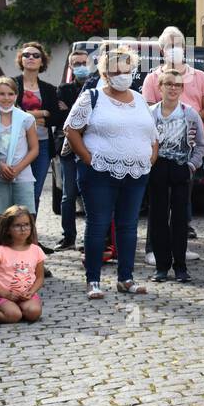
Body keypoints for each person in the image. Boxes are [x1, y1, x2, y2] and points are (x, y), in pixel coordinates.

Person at [63, 46, 158, 300]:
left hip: (136, 173)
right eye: (115, 70)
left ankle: (126, 278)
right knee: (98, 224)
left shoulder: (139, 99)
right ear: (105, 73)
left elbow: (152, 133)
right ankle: (93, 279)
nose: (121, 74)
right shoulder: (92, 97)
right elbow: (71, 129)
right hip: (99, 173)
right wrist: (88, 158)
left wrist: (151, 156)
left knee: (128, 226)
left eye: (126, 69)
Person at [147, 70, 204, 283]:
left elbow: (201, 144)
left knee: (180, 218)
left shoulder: (189, 113)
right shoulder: (150, 113)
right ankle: (162, 266)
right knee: (158, 217)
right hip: (157, 168)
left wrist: (191, 165)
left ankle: (180, 265)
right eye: (168, 84)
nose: (173, 88)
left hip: (181, 168)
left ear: (182, 89)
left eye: (177, 85)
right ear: (160, 87)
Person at [12, 42, 62, 215]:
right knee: (15, 191)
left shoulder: (49, 89)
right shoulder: (11, 84)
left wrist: (46, 115)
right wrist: (38, 113)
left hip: (42, 145)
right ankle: (11, 235)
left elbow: (57, 116)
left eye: (35, 55)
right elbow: (9, 111)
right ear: (21, 60)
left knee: (34, 192)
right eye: (26, 55)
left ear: (42, 62)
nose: (31, 58)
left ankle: (30, 236)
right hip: (15, 144)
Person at [0, 77, 39, 220]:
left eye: (10, 94)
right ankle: (4, 243)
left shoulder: (26, 118)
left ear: (16, 95)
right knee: (3, 218)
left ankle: (30, 243)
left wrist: (17, 169)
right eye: (1, 94)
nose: (6, 98)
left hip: (23, 174)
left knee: (27, 216)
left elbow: (34, 149)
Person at [0, 204, 45, 325]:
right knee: (13, 316)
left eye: (26, 224)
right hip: (2, 296)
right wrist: (5, 294)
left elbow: (40, 277)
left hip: (26, 295)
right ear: (7, 229)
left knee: (34, 313)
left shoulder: (36, 250)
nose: (23, 229)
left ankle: (20, 308)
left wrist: (31, 291)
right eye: (17, 225)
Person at [54, 48, 92, 250]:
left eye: (83, 63)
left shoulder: (95, 86)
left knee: (90, 194)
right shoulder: (63, 89)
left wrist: (70, 111)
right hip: (68, 148)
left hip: (91, 147)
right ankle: (68, 236)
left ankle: (91, 237)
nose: (80, 67)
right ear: (70, 67)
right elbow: (62, 120)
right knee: (69, 194)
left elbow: (91, 117)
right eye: (76, 64)